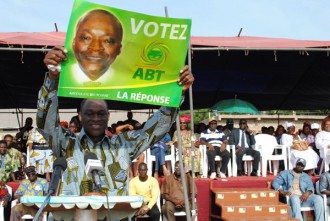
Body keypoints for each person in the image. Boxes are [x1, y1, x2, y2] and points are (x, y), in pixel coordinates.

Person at [39, 46, 194, 196]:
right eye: (89, 113)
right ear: (80, 116)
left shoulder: (124, 145)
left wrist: (177, 93)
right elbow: (45, 123)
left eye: (100, 113)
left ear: (108, 116)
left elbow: (156, 129)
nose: (95, 118)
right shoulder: (66, 144)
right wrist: (52, 78)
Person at [71, 9, 123, 85]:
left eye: (108, 41)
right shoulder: (61, 73)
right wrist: (53, 76)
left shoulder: (126, 84)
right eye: (86, 38)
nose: (96, 48)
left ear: (119, 49)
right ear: (74, 43)